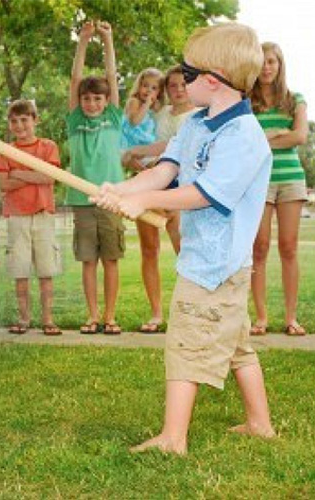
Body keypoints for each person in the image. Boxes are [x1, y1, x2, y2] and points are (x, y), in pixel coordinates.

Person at [92, 23, 276, 454]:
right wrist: (124, 191)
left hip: (216, 265)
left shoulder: (245, 138)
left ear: (211, 80)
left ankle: (173, 438)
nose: (179, 82)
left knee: (185, 344)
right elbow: (165, 169)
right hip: (206, 259)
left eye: (186, 74)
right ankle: (260, 424)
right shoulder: (195, 124)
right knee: (237, 345)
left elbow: (204, 194)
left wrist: (148, 203)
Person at [121, 66, 198, 333]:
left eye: (183, 85)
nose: (178, 90)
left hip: (181, 187)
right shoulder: (159, 114)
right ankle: (156, 313)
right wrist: (133, 159)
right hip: (152, 182)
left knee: (185, 251)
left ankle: (190, 311)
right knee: (149, 249)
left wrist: (140, 153)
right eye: (172, 85)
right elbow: (134, 129)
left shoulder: (198, 116)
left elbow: (173, 147)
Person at [66, 20, 124, 335]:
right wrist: (84, 42)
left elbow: (111, 78)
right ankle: (92, 315)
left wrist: (107, 39)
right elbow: (76, 78)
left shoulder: (113, 119)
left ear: (105, 101)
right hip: (82, 199)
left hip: (112, 198)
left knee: (111, 260)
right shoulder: (75, 121)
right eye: (87, 99)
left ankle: (110, 316)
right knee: (89, 261)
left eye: (97, 99)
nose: (92, 103)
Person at [248, 42, 309, 336]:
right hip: (258, 180)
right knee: (258, 248)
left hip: (289, 179)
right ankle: (261, 318)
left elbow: (299, 137)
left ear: (280, 64)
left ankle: (290, 318)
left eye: (271, 62)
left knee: (288, 247)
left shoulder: (295, 99)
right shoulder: (247, 102)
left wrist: (267, 137)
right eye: (261, 62)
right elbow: (245, 142)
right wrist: (276, 134)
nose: (266, 67)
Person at [0, 99, 62, 336]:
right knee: (20, 270)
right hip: (16, 217)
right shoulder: (6, 151)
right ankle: (24, 319)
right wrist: (35, 173)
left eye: (24, 120)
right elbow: (4, 184)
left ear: (35, 120)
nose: (19, 125)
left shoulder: (48, 146)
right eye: (14, 121)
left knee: (46, 271)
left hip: (43, 215)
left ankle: (48, 320)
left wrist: (19, 173)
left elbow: (50, 177)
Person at [120, 67, 164, 156]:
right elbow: (134, 122)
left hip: (143, 141)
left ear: (159, 92)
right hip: (129, 140)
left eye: (154, 88)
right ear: (139, 86)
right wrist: (147, 104)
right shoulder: (134, 101)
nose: (149, 90)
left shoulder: (154, 106)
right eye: (145, 85)